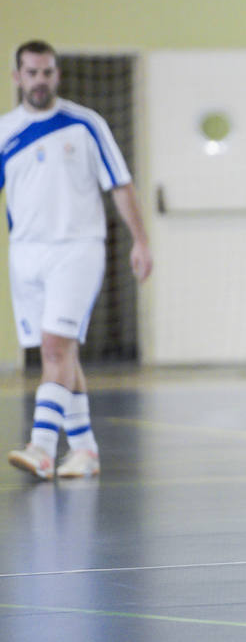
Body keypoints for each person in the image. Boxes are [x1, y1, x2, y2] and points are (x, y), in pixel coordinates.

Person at [4, 40, 152, 480]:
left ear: (57, 75)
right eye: (31, 73)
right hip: (25, 254)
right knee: (61, 350)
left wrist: (140, 241)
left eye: (47, 72)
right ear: (17, 78)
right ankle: (85, 451)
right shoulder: (5, 130)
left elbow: (121, 185)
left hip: (78, 249)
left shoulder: (86, 125)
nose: (40, 80)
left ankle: (43, 447)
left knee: (54, 346)